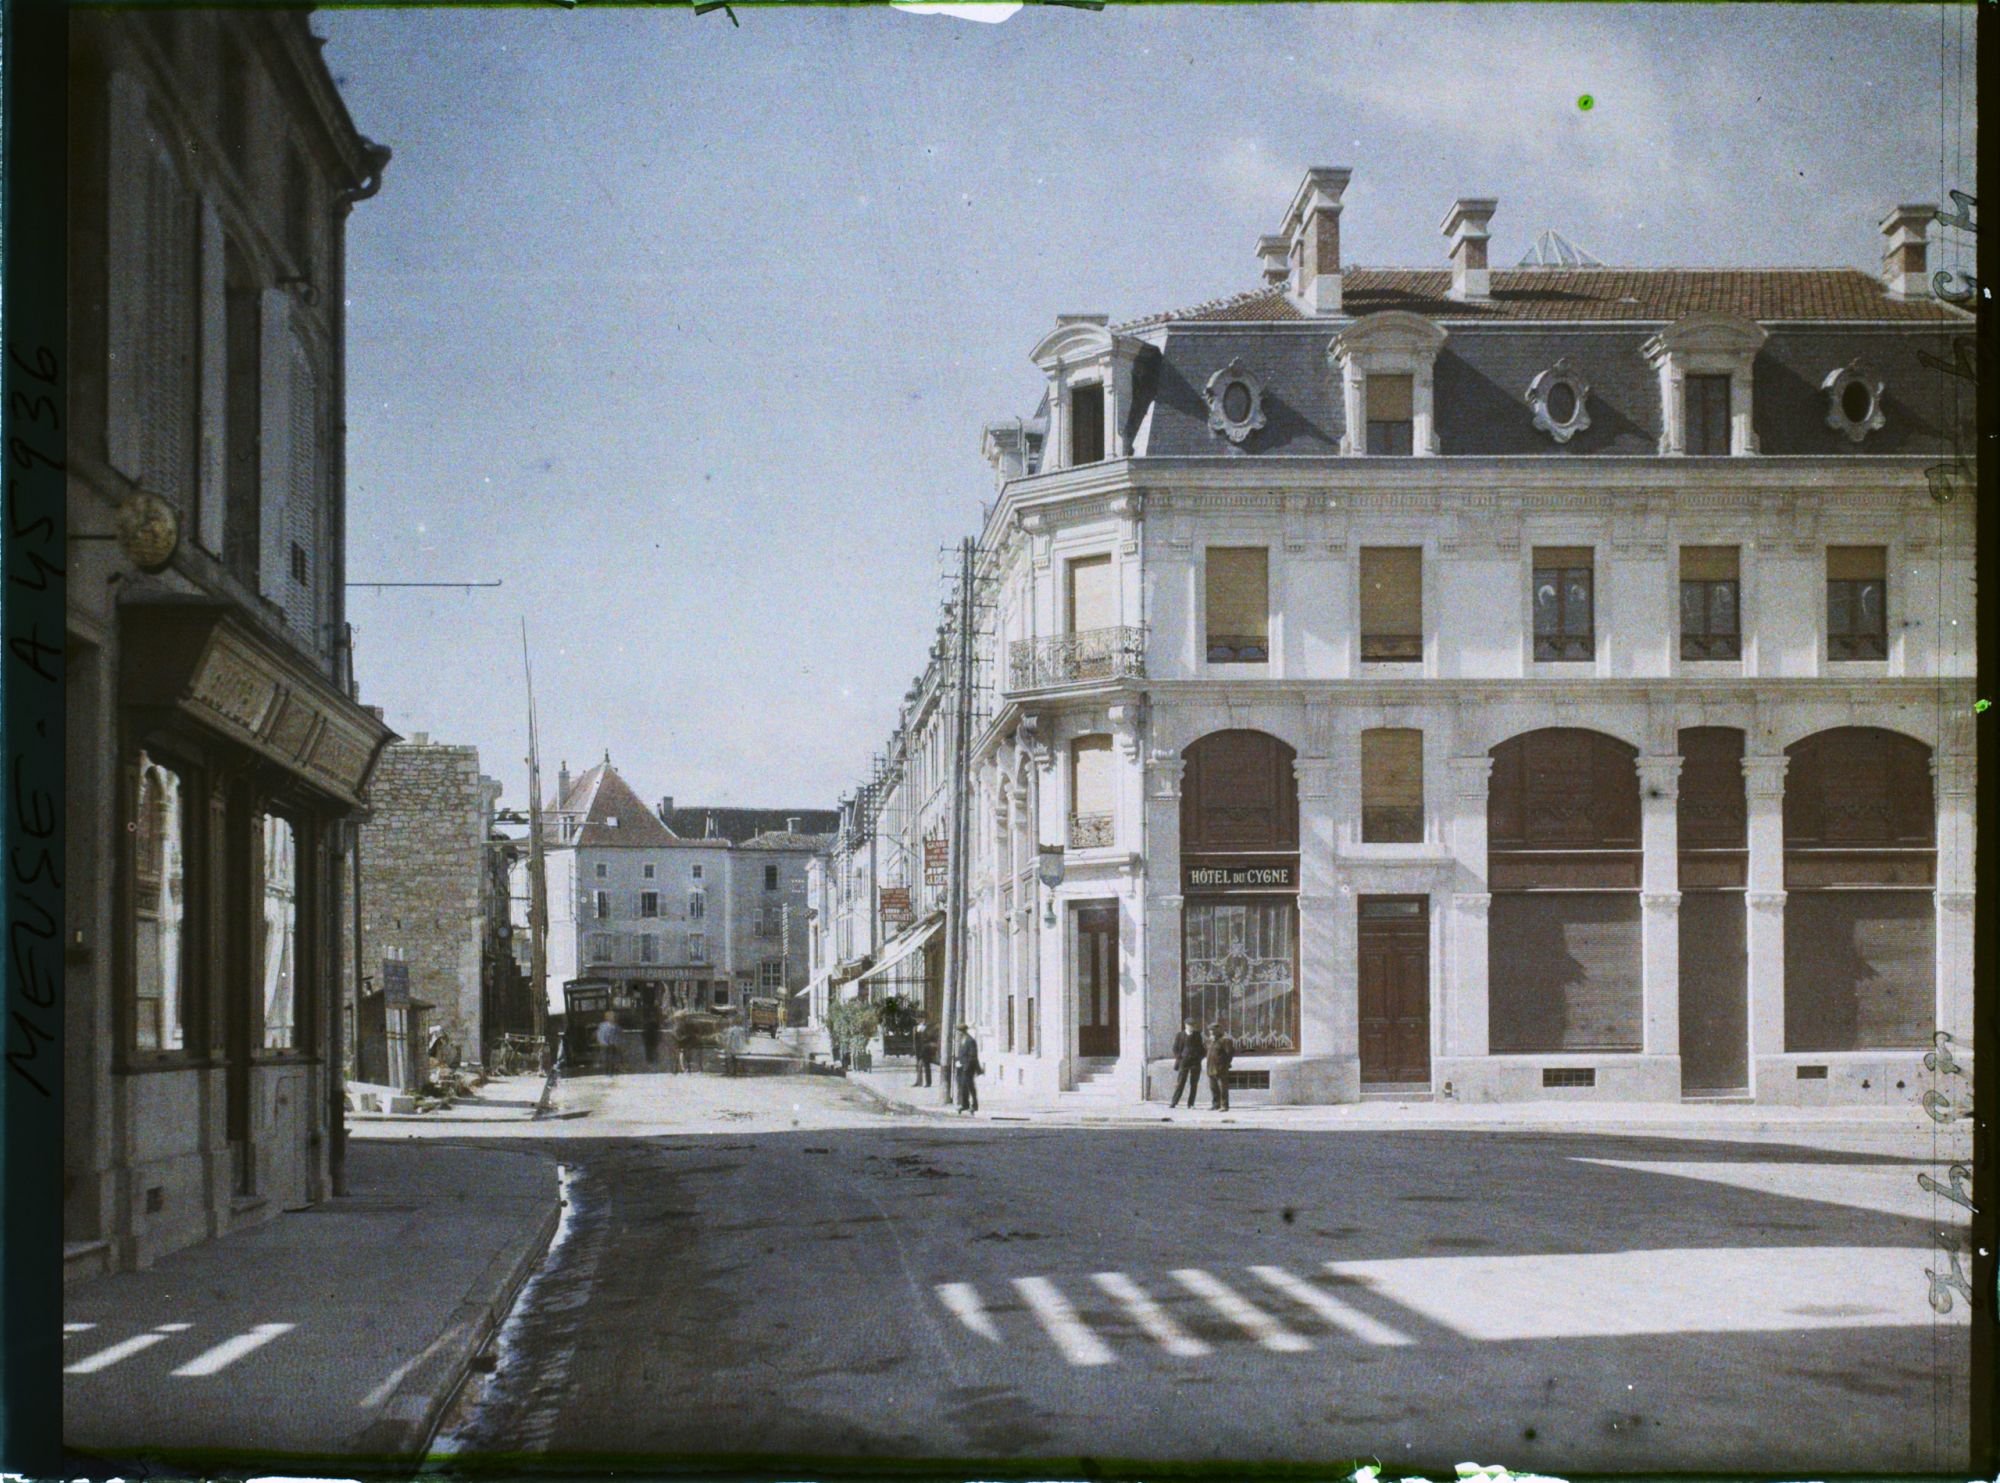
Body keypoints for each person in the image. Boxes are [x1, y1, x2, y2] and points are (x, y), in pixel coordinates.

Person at [1168, 1018, 1205, 1110]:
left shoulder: (1197, 1035)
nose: (1191, 1027)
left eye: (1193, 1025)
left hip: (1195, 1062)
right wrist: (1179, 1058)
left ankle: (1191, 1103)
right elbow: (1175, 1048)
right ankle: (1174, 1102)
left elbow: (1202, 1048)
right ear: (1185, 1025)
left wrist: (1200, 1058)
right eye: (1189, 1025)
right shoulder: (1180, 1035)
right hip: (1184, 1062)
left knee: (1194, 1083)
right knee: (1181, 1082)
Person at [1205, 1021, 1235, 1110]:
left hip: (1221, 1068)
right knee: (1213, 1087)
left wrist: (1225, 1064)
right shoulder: (1209, 1041)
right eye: (1210, 1030)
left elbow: (1230, 1053)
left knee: (1222, 1088)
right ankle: (1215, 1104)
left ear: (1218, 1031)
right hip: (1210, 1067)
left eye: (1213, 1030)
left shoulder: (1225, 1040)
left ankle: (1224, 1105)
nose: (1211, 1032)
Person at [954, 1023, 982, 1114]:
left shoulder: (970, 1040)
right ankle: (965, 1104)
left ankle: (974, 1105)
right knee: (962, 1086)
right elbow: (961, 1054)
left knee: (970, 1087)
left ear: (963, 1031)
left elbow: (973, 1055)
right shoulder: (962, 1040)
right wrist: (958, 1061)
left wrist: (967, 1066)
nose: (958, 1034)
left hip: (968, 1068)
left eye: (959, 1032)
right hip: (961, 1067)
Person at [640, 985, 662, 1069]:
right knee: (652, 1048)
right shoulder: (654, 1019)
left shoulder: (647, 1019)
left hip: (649, 1037)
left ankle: (650, 1061)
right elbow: (657, 1027)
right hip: (652, 1037)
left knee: (649, 1049)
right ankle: (653, 1061)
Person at [594, 1010, 622, 1077]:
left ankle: (612, 1071)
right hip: (605, 1045)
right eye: (611, 1017)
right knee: (606, 1058)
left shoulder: (616, 1026)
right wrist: (602, 1042)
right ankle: (606, 1072)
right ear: (606, 1017)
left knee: (613, 1058)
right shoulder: (602, 1026)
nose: (613, 1018)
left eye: (614, 1017)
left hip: (613, 1044)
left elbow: (618, 1035)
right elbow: (600, 1035)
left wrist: (617, 1043)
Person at [913, 1017, 936, 1088]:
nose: (917, 1020)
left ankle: (928, 1082)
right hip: (919, 1050)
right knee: (918, 1066)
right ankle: (919, 1082)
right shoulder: (916, 1028)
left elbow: (931, 1038)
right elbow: (915, 1040)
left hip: (926, 1050)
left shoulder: (928, 1028)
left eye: (919, 1019)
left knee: (927, 1066)